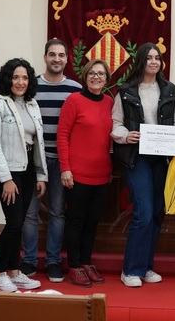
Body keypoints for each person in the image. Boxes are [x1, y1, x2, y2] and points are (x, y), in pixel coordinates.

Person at [111, 42, 175, 288]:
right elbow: (116, 124)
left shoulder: (170, 90)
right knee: (142, 212)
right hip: (136, 157)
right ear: (141, 61)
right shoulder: (126, 90)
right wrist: (125, 136)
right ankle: (130, 269)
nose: (154, 61)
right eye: (149, 58)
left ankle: (147, 266)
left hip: (160, 157)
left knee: (155, 213)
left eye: (158, 58)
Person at [0, 58, 47, 292]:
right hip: (8, 171)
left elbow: (38, 142)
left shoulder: (32, 104)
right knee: (13, 223)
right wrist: (6, 179)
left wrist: (41, 175)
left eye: (25, 77)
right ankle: (0, 274)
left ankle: (14, 272)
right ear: (7, 78)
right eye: (15, 77)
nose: (20, 82)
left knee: (19, 223)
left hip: (29, 169)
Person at [20, 39, 81, 283]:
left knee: (57, 213)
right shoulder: (30, 86)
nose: (57, 59)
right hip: (34, 161)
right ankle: (29, 260)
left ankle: (54, 261)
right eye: (52, 55)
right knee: (30, 213)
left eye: (61, 55)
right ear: (45, 57)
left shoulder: (75, 89)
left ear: (67, 59)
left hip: (61, 161)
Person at [58, 59, 114, 287]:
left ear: (107, 79)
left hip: (102, 173)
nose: (96, 77)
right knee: (76, 221)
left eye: (101, 74)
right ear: (85, 76)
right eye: (92, 73)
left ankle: (86, 263)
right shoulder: (74, 100)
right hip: (77, 174)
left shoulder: (110, 102)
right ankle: (74, 266)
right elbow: (62, 135)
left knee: (92, 222)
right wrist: (65, 169)